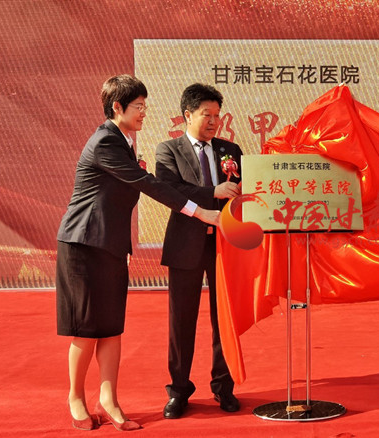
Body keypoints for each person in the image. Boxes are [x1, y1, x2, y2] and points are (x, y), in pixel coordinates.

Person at [56, 74, 220, 431]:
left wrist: (122, 246)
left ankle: (109, 399)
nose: (144, 113)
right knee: (86, 329)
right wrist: (200, 210)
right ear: (117, 107)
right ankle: (75, 397)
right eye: (138, 107)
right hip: (83, 244)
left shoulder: (126, 141)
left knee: (112, 327)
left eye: (145, 106)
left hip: (111, 245)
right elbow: (148, 184)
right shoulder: (105, 141)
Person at [155, 83, 243, 419]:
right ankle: (178, 391)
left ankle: (224, 387)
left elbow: (242, 189)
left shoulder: (230, 150)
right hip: (185, 244)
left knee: (224, 320)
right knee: (182, 321)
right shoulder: (169, 150)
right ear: (187, 115)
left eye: (217, 115)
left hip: (224, 245)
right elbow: (171, 190)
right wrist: (213, 192)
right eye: (207, 115)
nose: (213, 121)